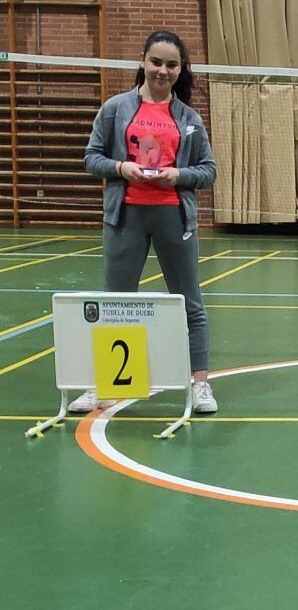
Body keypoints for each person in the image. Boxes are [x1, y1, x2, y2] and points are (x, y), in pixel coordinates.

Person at [71, 30, 219, 415]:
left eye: (171, 65)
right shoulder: (116, 109)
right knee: (117, 303)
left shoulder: (189, 118)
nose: (162, 70)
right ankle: (105, 383)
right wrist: (121, 167)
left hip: (174, 217)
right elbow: (91, 158)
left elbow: (208, 170)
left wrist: (179, 176)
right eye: (156, 62)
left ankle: (200, 384)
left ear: (180, 69)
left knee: (190, 302)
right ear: (142, 61)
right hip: (126, 217)